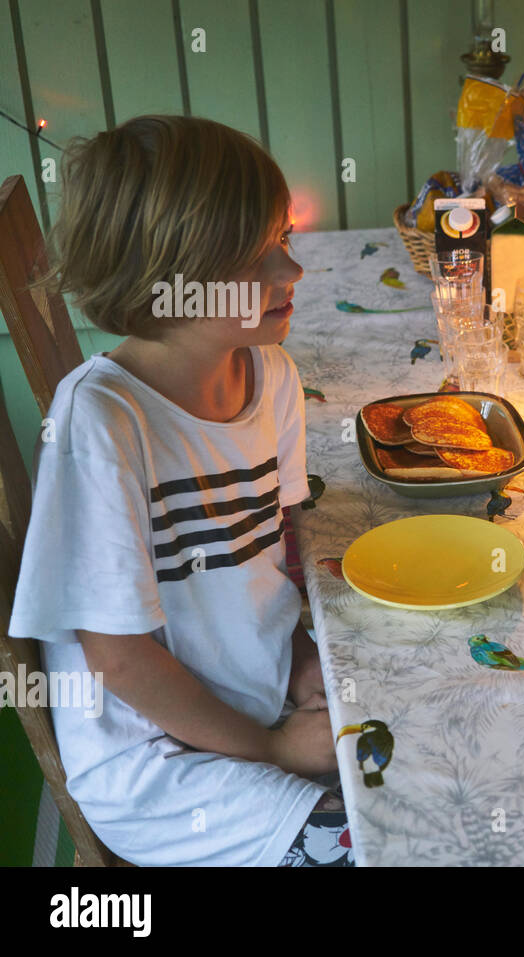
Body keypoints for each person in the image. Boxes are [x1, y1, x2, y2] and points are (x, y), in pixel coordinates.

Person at [8, 115, 352, 866]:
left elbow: (262, 568)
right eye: (255, 259)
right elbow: (122, 661)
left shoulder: (275, 379)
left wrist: (299, 670)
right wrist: (272, 748)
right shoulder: (102, 422)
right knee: (373, 845)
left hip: (250, 700)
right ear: (168, 282)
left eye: (283, 240)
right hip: (158, 763)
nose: (291, 273)